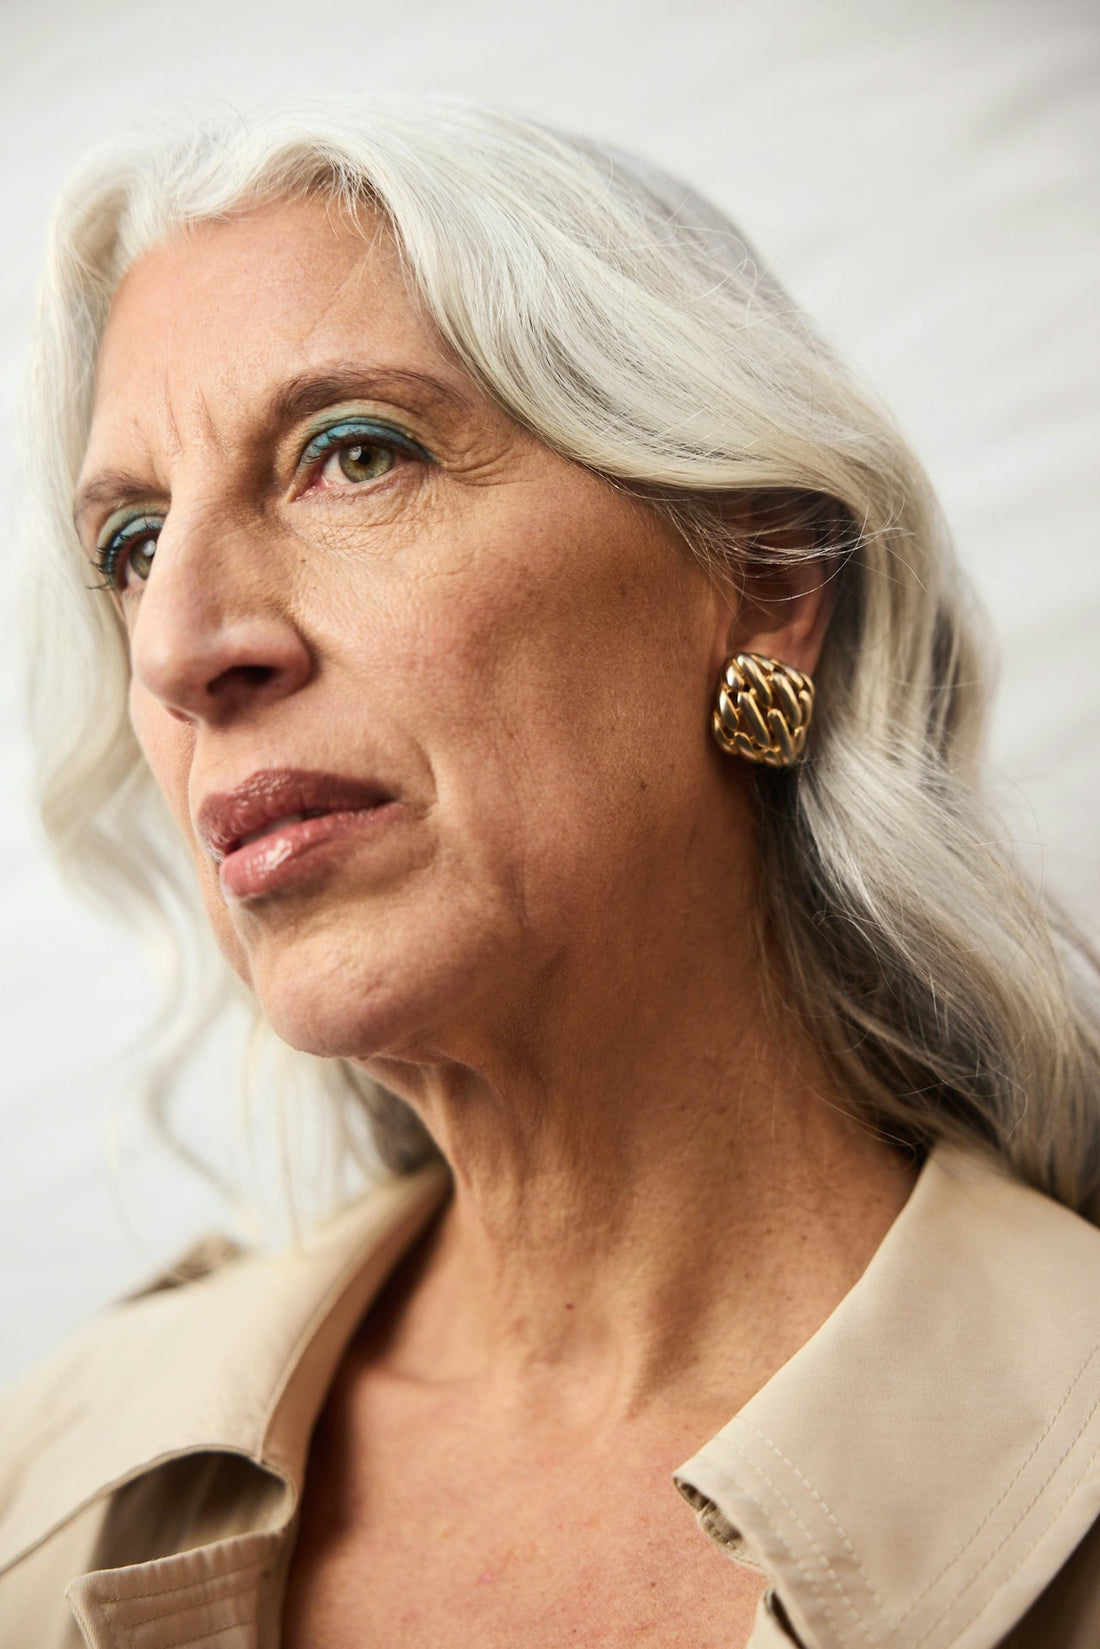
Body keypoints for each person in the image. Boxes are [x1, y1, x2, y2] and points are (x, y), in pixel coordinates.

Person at [2, 97, 1099, 1649]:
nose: (182, 645)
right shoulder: (43, 1481)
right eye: (130, 543)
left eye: (351, 455)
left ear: (765, 583)